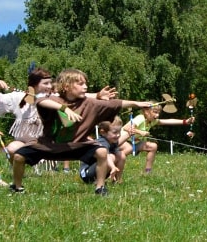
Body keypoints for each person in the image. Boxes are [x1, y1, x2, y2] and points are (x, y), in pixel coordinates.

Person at [9, 68, 153, 196]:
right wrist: (64, 108)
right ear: (66, 86)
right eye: (80, 83)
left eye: (85, 83)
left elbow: (117, 103)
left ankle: (100, 187)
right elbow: (41, 102)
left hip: (78, 146)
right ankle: (17, 187)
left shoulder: (91, 103)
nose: (85, 86)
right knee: (18, 157)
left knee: (102, 152)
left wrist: (137, 103)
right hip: (49, 145)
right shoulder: (53, 98)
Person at [117, 104, 194, 176]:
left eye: (158, 113)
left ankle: (148, 171)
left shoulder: (152, 121)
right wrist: (140, 132)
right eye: (155, 112)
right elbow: (126, 128)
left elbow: (167, 121)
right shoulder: (140, 118)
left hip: (135, 142)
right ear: (146, 111)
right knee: (128, 150)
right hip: (123, 141)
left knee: (153, 146)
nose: (157, 115)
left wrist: (185, 121)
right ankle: (112, 167)